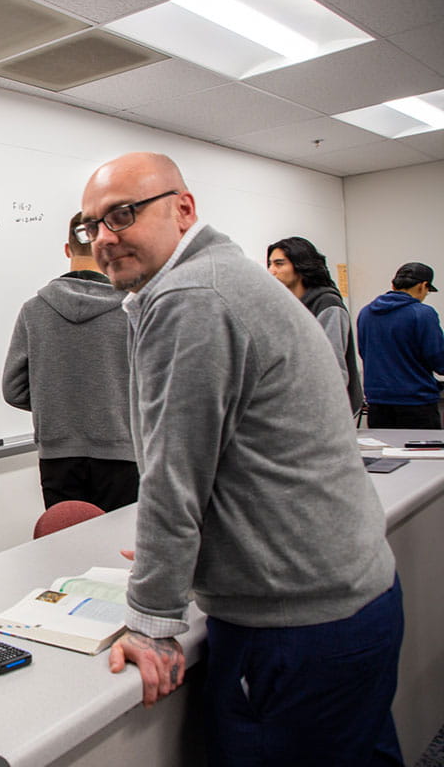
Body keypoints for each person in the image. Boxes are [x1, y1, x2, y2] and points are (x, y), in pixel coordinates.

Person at [76, 154, 402, 765]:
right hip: (346, 601)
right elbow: (233, 456)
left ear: (183, 208)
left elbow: (176, 477)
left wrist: (150, 622)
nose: (104, 238)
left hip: (294, 628)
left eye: (122, 214)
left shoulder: (193, 296)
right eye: (90, 224)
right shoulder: (223, 276)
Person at [2, 211, 136, 511]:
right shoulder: (132, 310)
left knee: (64, 547)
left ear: (67, 250)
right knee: (117, 551)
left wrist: (58, 403)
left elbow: (14, 390)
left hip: (57, 457)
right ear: (109, 248)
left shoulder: (34, 310)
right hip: (122, 455)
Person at [266, 236, 364, 417]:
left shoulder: (327, 304)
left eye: (279, 264)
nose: (272, 271)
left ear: (301, 265)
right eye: (270, 264)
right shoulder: (285, 306)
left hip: (325, 411)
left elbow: (333, 369)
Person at [357, 262, 444, 429]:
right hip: (416, 404)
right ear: (423, 286)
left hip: (377, 403)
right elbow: (438, 359)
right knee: (420, 454)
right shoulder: (423, 313)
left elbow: (364, 352)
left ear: (393, 284)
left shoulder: (366, 312)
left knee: (384, 454)